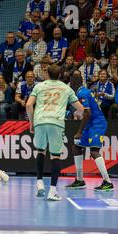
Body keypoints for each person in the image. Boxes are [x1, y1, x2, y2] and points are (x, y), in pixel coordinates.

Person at [26, 64, 84, 201]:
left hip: (40, 121)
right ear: (60, 75)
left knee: (40, 151)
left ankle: (39, 182)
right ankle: (52, 191)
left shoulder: (39, 86)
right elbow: (80, 109)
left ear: (47, 74)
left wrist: (32, 122)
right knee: (55, 156)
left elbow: (28, 105)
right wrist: (78, 113)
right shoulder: (66, 88)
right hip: (56, 122)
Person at [65, 72, 114, 191]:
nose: (70, 84)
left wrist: (80, 131)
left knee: (94, 151)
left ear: (74, 82)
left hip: (97, 124)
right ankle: (79, 180)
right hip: (91, 123)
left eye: (71, 82)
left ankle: (107, 182)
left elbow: (87, 113)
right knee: (76, 146)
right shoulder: (83, 91)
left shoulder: (82, 93)